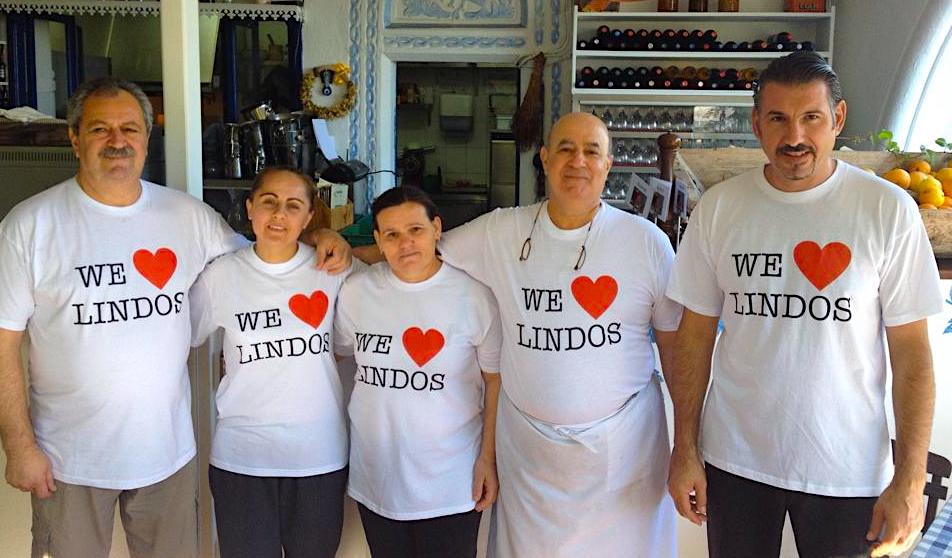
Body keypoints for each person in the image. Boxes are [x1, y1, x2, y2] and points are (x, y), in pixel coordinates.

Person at [0, 78, 347, 558]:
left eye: (131, 128)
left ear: (147, 138)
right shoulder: (29, 225)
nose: (118, 141)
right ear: (75, 138)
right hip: (68, 460)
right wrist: (19, 447)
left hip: (167, 457)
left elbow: (264, 262)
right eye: (101, 129)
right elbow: (3, 343)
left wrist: (322, 240)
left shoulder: (186, 216)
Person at [356, 112, 682, 557]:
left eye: (591, 151)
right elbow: (418, 246)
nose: (577, 161)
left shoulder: (646, 242)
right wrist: (334, 248)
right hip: (529, 454)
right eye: (565, 149)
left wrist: (687, 446)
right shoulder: (501, 230)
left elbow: (675, 348)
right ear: (545, 159)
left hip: (624, 451)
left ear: (609, 164)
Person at [665, 51, 943, 558]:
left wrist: (909, 480)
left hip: (849, 470)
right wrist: (684, 448)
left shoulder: (887, 210)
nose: (794, 137)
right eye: (778, 118)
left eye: (810, 117)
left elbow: (913, 356)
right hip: (735, 462)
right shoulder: (720, 209)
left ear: (837, 118)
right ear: (756, 124)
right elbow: (694, 336)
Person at [189, 167, 350, 558]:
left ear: (309, 218)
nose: (280, 214)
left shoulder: (333, 273)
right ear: (250, 209)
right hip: (242, 457)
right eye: (269, 202)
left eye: (293, 206)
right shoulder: (221, 276)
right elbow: (182, 335)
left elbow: (354, 336)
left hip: (319, 456)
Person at [335, 186, 502, 558]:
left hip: (451, 482)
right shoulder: (357, 292)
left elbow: (495, 382)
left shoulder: (474, 296)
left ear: (437, 229)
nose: (405, 244)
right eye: (391, 235)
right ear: (377, 240)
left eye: (416, 230)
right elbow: (336, 353)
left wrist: (488, 459)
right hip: (377, 477)